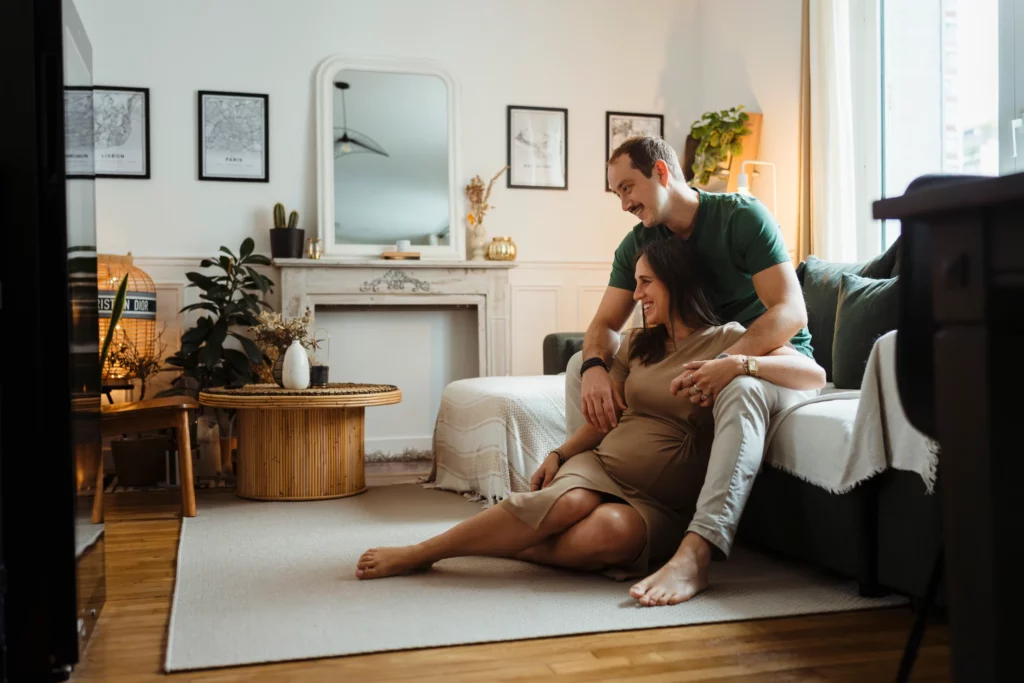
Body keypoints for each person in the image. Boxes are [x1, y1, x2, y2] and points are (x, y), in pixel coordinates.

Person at [355, 238, 825, 595]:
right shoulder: (639, 344)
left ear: (677, 280)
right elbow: (606, 420)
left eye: (646, 282)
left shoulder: (727, 339)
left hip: (662, 502)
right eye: (636, 282)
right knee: (568, 504)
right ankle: (425, 552)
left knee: (610, 533)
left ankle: (514, 544)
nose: (637, 294)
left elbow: (813, 374)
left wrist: (741, 364)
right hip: (603, 463)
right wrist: (560, 454)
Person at [564, 136, 818, 606]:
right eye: (616, 193)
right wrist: (593, 365)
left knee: (741, 388)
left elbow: (791, 312)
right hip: (701, 364)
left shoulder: (741, 217)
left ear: (661, 172)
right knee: (577, 366)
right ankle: (591, 497)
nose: (623, 204)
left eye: (627, 188)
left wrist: (725, 364)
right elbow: (604, 325)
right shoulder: (639, 242)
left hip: (772, 363)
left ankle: (695, 554)